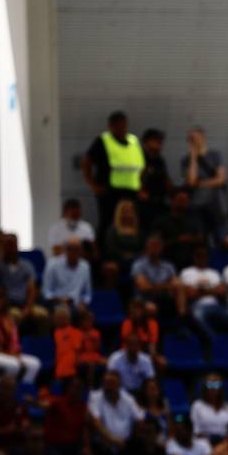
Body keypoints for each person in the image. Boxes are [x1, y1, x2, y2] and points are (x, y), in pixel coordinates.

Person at [81, 110, 143, 240]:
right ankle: (105, 254)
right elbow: (86, 162)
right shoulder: (103, 141)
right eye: (118, 125)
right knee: (108, 223)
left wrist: (142, 187)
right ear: (111, 126)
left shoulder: (133, 141)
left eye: (124, 125)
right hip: (109, 192)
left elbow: (140, 166)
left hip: (131, 192)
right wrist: (93, 185)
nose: (122, 128)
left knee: (132, 223)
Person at [181, 127, 228, 241]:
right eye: (190, 139)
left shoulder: (215, 155)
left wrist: (200, 183)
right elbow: (191, 181)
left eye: (195, 138)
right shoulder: (186, 160)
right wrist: (193, 156)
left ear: (203, 138)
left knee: (220, 237)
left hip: (216, 204)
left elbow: (221, 179)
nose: (193, 141)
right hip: (196, 206)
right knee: (200, 239)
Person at [0, 288, 41, 383]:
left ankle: (23, 390)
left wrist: (15, 353)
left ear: (4, 300)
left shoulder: (8, 319)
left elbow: (14, 342)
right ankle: (2, 391)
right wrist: (10, 355)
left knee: (34, 363)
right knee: (13, 365)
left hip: (6, 353)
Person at [42, 241, 92, 309]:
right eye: (70, 249)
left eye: (77, 249)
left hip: (77, 305)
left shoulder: (85, 266)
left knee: (88, 316)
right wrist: (59, 299)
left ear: (81, 251)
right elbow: (46, 292)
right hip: (56, 303)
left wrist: (84, 303)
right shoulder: (52, 265)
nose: (74, 252)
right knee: (62, 313)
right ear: (65, 250)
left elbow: (87, 294)